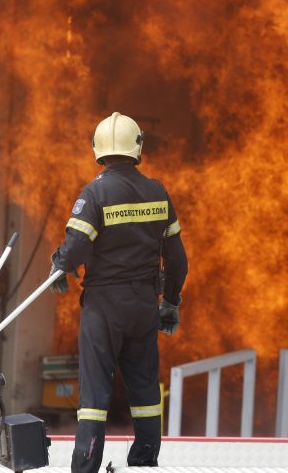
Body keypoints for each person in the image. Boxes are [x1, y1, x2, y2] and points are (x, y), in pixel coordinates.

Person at [49, 112, 188, 473]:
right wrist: (170, 303)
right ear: (137, 146)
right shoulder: (158, 192)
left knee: (95, 392)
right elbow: (178, 260)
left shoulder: (95, 193)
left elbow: (77, 248)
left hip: (103, 309)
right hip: (144, 305)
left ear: (98, 149)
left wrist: (60, 263)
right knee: (144, 388)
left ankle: (85, 466)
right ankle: (144, 460)